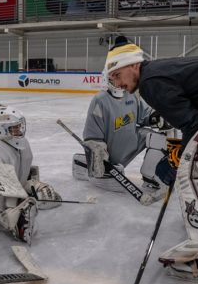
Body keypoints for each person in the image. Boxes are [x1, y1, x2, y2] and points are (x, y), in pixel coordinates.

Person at [105, 36, 198, 283]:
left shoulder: (150, 82)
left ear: (132, 64)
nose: (116, 83)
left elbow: (194, 123)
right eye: (111, 78)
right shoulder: (154, 73)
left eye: (116, 74)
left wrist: (185, 158)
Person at [73, 47, 171, 199]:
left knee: (157, 138)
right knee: (114, 184)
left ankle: (151, 177)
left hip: (130, 142)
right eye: (112, 78)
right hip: (110, 157)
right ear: (107, 78)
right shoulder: (100, 101)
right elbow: (93, 135)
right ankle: (84, 165)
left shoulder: (131, 95)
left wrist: (156, 118)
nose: (117, 83)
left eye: (117, 77)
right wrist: (98, 154)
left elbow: (144, 115)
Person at [0, 105, 62, 245]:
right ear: (0, 129)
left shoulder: (21, 143)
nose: (19, 130)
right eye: (15, 127)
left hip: (15, 184)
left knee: (43, 193)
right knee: (9, 207)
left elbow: (22, 171)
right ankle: (15, 220)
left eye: (19, 126)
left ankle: (23, 202)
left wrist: (34, 185)